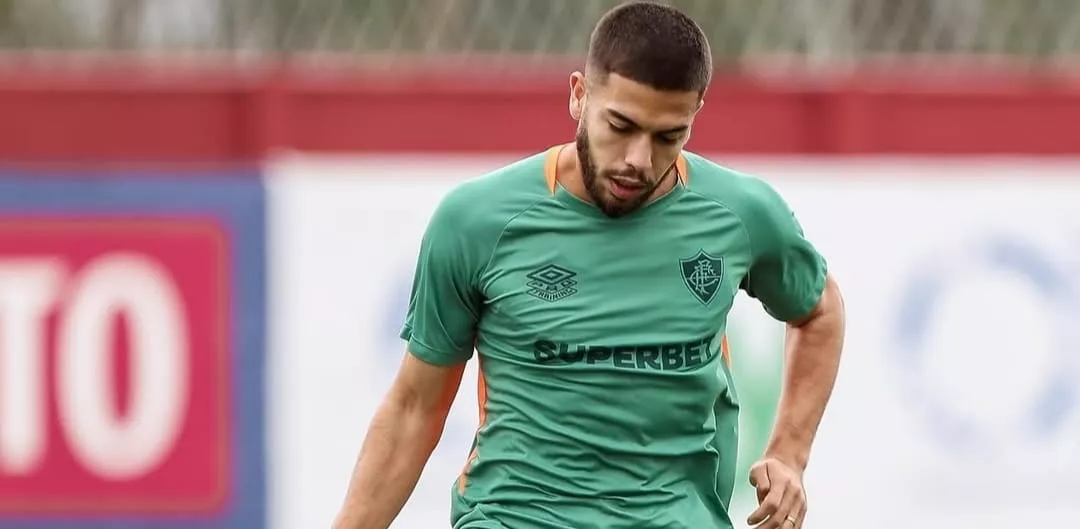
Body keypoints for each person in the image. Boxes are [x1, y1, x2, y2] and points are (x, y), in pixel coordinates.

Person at [331, 2, 845, 528]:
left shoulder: (740, 215)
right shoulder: (477, 222)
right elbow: (415, 409)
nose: (638, 160)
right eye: (620, 125)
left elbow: (819, 309)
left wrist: (790, 453)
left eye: (669, 135)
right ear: (579, 95)